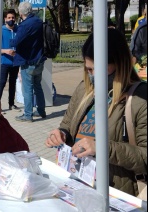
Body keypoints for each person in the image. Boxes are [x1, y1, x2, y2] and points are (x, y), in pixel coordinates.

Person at [45, 28, 147, 197]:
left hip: (116, 193)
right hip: (77, 185)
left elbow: (144, 157)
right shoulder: (84, 89)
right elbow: (68, 124)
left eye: (95, 69)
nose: (91, 75)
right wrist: (61, 134)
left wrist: (101, 148)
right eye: (88, 69)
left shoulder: (140, 98)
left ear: (117, 63)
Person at [10, 2, 46, 122]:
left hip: (28, 61)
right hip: (39, 60)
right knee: (38, 86)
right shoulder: (38, 21)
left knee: (27, 89)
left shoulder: (25, 25)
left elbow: (16, 42)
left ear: (20, 13)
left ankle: (28, 114)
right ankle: (41, 110)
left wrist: (10, 41)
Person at [0, 9, 19, 110]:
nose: (11, 19)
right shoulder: (1, 31)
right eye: (9, 18)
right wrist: (6, 51)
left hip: (15, 62)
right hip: (4, 62)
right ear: (5, 19)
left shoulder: (18, 29)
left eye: (12, 18)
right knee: (2, 83)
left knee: (13, 83)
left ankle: (11, 103)